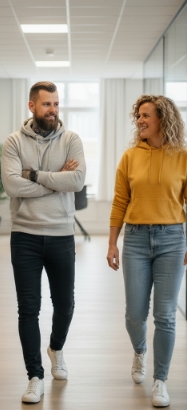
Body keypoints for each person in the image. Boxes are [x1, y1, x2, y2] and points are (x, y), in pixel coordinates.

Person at [1, 81, 86, 404]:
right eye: (46, 104)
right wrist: (55, 181)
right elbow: (12, 186)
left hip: (62, 234)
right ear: (32, 106)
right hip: (25, 236)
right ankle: (34, 375)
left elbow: (76, 181)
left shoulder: (71, 139)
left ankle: (56, 348)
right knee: (28, 309)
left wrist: (34, 175)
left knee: (65, 304)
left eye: (56, 104)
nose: (53, 110)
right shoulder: (13, 142)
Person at [107, 95, 187, 408]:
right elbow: (119, 202)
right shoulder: (129, 157)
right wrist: (113, 242)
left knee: (165, 315)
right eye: (138, 116)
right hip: (136, 240)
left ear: (162, 120)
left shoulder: (182, 157)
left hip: (172, 238)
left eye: (146, 115)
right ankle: (140, 351)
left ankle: (160, 380)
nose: (140, 120)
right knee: (134, 315)